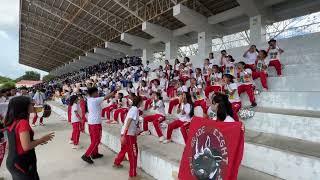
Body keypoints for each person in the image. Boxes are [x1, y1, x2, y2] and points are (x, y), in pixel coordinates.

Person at [5, 96, 54, 180]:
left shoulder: (12, 121)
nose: (33, 105)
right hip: (22, 162)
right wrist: (41, 140)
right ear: (24, 107)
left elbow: (9, 145)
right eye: (31, 104)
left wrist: (36, 141)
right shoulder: (23, 122)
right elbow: (26, 146)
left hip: (12, 161)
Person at [81, 87, 115, 164]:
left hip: (91, 123)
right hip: (96, 123)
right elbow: (107, 96)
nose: (98, 93)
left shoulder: (89, 99)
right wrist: (115, 91)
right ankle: (86, 155)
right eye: (97, 92)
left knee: (94, 140)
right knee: (96, 140)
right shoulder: (95, 100)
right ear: (93, 93)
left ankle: (94, 154)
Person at [113, 95, 142, 179]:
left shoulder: (132, 109)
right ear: (139, 102)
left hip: (127, 134)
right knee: (133, 155)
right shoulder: (135, 110)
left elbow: (131, 121)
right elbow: (129, 120)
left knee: (125, 149)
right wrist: (125, 135)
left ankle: (117, 162)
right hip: (128, 135)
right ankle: (132, 175)